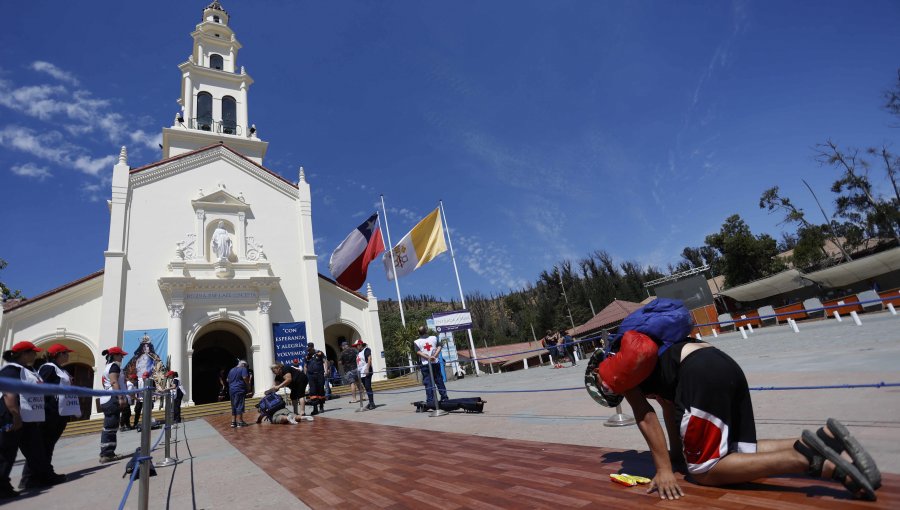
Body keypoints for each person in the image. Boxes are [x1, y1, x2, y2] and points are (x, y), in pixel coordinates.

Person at [590, 315, 882, 501]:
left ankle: (806, 459)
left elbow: (645, 416)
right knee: (735, 450)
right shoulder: (647, 349)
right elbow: (668, 409)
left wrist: (665, 469)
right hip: (720, 361)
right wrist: (677, 454)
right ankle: (818, 441)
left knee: (704, 471)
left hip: (698, 375)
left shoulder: (617, 371)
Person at [1, 341, 63, 497]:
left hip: (28, 419)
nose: (35, 354)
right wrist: (15, 415)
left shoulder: (29, 370)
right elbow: (9, 393)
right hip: (12, 415)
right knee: (6, 453)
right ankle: (2, 487)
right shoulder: (11, 369)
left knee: (37, 451)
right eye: (32, 352)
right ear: (23, 354)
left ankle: (42, 477)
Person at [36, 344, 81, 484]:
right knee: (46, 444)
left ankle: (42, 473)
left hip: (61, 412)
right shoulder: (48, 367)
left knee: (49, 444)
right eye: (66, 353)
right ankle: (43, 475)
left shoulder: (61, 369)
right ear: (58, 354)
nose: (68, 355)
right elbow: (41, 388)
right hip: (51, 412)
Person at [99, 346, 128, 463]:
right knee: (110, 426)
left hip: (107, 398)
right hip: (112, 398)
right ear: (115, 355)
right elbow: (114, 381)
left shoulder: (107, 367)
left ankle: (108, 452)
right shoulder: (114, 366)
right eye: (121, 355)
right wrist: (120, 397)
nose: (122, 357)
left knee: (110, 426)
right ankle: (107, 454)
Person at [414, 326, 448, 407]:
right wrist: (434, 356)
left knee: (428, 382)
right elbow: (439, 347)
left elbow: (418, 352)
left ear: (419, 333)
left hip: (425, 364)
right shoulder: (434, 338)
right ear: (426, 331)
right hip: (435, 362)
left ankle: (430, 400)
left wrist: (428, 358)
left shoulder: (417, 341)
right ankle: (444, 397)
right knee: (439, 380)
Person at [226, 360, 250, 428]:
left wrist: (233, 382)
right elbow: (245, 377)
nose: (246, 367)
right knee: (239, 404)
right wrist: (248, 385)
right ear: (243, 365)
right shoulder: (243, 368)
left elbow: (227, 380)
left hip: (231, 389)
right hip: (239, 389)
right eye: (246, 366)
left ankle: (233, 422)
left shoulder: (231, 370)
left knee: (233, 405)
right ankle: (240, 422)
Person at [305, 344, 326, 415]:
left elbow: (325, 361)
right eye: (308, 349)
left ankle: (321, 406)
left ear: (313, 348)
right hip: (311, 375)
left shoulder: (319, 353)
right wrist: (305, 375)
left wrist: (326, 370)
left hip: (320, 374)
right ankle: (315, 409)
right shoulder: (307, 356)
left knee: (320, 390)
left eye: (309, 349)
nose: (308, 351)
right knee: (313, 391)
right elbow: (305, 366)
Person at [354, 340, 375, 410]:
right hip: (361, 373)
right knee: (366, 387)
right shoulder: (358, 353)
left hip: (367, 371)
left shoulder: (366, 350)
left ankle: (372, 403)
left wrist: (368, 368)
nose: (356, 347)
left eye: (357, 345)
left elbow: (369, 358)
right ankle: (370, 402)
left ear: (360, 345)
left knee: (368, 386)